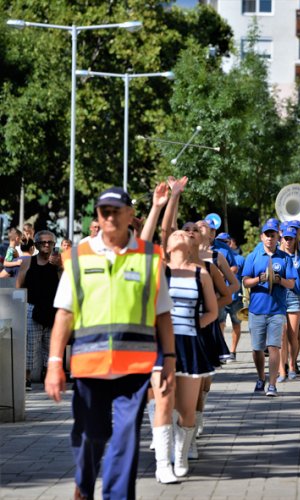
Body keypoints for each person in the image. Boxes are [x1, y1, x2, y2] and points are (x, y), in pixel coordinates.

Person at [44, 186, 176, 500]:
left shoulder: (149, 256)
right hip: (89, 368)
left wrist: (169, 359)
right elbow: (64, 313)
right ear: (98, 217)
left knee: (125, 440)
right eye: (104, 211)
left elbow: (163, 315)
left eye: (117, 210)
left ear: (131, 215)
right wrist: (53, 365)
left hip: (134, 369)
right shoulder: (77, 255)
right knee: (91, 436)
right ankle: (84, 484)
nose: (110, 217)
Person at [155, 230, 218, 482]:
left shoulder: (200, 272)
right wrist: (172, 198)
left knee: (187, 411)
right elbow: (164, 227)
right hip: (162, 344)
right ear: (167, 246)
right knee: (163, 404)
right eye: (176, 232)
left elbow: (212, 311)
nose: (180, 233)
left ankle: (180, 455)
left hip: (191, 345)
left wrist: (193, 326)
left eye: (184, 232)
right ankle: (163, 464)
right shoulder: (160, 270)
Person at [242, 220, 296, 397]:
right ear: (262, 237)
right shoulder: (253, 256)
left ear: (277, 237)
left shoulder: (285, 257)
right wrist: (260, 279)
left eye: (273, 235)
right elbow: (245, 281)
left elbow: (292, 284)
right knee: (257, 349)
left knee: (274, 347)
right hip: (256, 309)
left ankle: (272, 384)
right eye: (267, 235)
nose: (270, 238)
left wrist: (279, 280)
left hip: (277, 310)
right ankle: (260, 377)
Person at [16, 230, 62, 391]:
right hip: (32, 307)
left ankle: (48, 375)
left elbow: (67, 284)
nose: (47, 245)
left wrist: (59, 267)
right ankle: (26, 378)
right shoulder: (28, 262)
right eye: (43, 242)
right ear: (36, 245)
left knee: (51, 346)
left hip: (53, 308)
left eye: (50, 242)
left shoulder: (59, 263)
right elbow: (19, 284)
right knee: (30, 345)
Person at [278, 225, 300, 382]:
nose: (288, 241)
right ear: (281, 239)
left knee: (293, 335)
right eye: (286, 238)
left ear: (295, 239)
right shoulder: (277, 256)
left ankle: (292, 364)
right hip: (279, 297)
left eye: (291, 238)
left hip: (295, 298)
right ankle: (282, 367)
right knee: (281, 334)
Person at [216, 232, 245, 361]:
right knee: (220, 324)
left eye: (225, 242)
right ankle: (221, 350)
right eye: (220, 242)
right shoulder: (214, 257)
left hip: (235, 298)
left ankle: (233, 351)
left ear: (231, 243)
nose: (223, 244)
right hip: (220, 298)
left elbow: (245, 278)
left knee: (236, 325)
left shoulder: (239, 259)